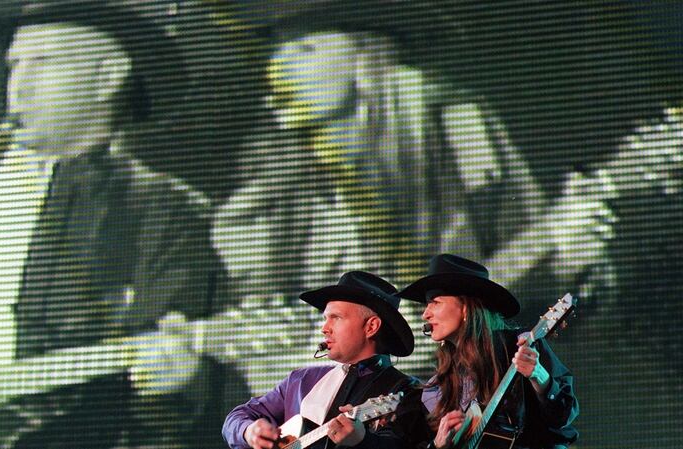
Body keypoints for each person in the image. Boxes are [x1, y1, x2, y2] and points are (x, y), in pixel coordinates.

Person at [0, 2, 252, 448]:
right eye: (14, 64)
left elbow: (184, 403)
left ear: (107, 76)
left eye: (43, 61)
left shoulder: (164, 211)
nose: (18, 86)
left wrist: (180, 382)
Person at [212, 4, 616, 337]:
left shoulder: (456, 123)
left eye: (304, 49)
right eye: (275, 52)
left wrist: (567, 262)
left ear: (367, 55)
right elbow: (254, 313)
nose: (277, 71)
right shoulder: (270, 165)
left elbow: (522, 257)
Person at [222, 271, 431, 449]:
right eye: (325, 318)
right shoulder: (302, 380)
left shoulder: (407, 391)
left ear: (371, 327)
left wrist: (363, 441)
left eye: (336, 318)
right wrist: (249, 431)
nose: (324, 328)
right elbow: (239, 416)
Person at [397, 253, 579, 449]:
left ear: (466, 308)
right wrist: (438, 445)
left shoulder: (522, 345)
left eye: (435, 302)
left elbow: (563, 416)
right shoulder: (437, 389)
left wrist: (539, 376)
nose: (425, 314)